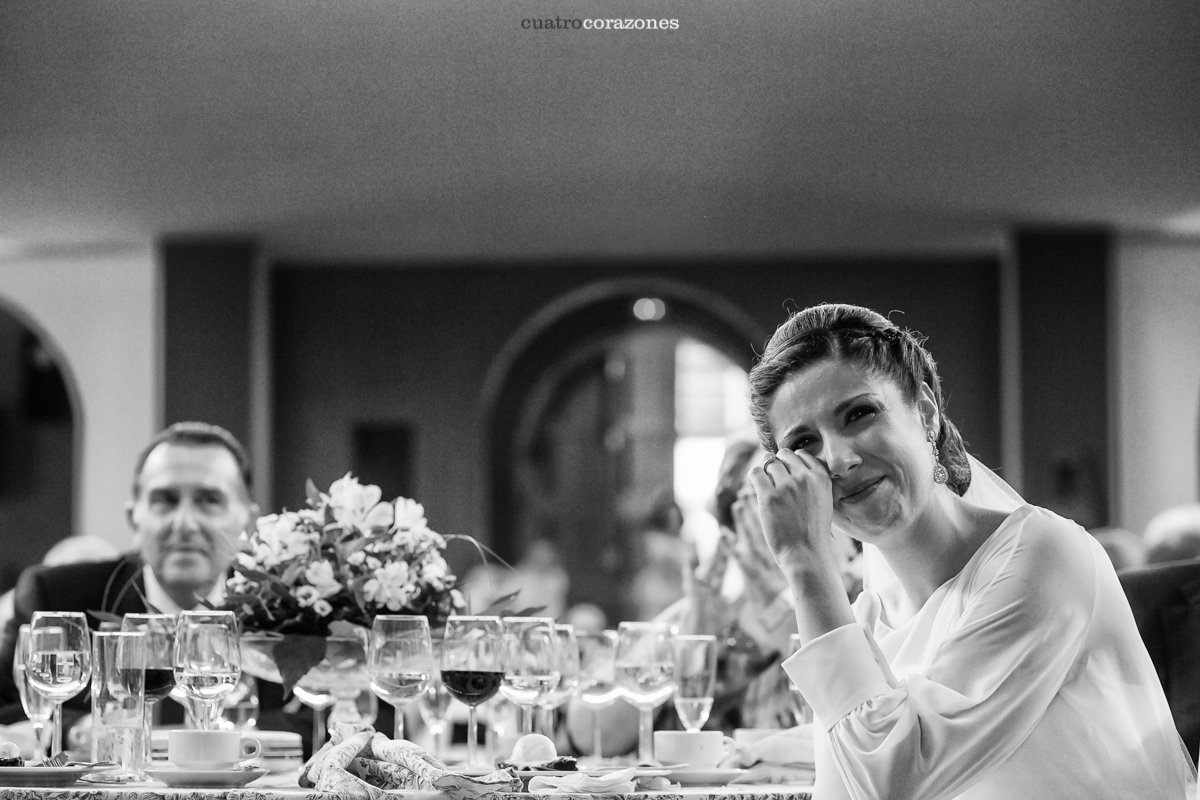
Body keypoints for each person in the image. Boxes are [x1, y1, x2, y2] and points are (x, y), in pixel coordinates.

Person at [747, 303, 1194, 799]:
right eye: (804, 443)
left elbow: (892, 783)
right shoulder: (865, 621)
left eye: (859, 414)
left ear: (926, 413)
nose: (839, 459)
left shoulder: (1043, 557)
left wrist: (804, 561)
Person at [0, 422, 309, 751]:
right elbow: (7, 707)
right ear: (135, 517)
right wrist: (79, 730)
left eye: (209, 500)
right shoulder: (57, 597)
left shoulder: (294, 604)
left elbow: (340, 717)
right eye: (166, 499)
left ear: (247, 520)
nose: (185, 523)